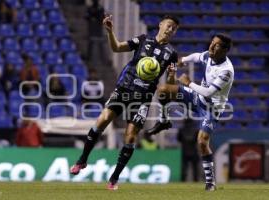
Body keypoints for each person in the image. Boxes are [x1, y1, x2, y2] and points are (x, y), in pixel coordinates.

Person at [69, 14, 179, 190]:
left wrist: (172, 77)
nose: (170, 29)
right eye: (169, 25)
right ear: (160, 25)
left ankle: (114, 178)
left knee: (131, 136)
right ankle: (82, 160)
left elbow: (171, 87)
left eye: (174, 28)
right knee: (102, 120)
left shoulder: (171, 54)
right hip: (124, 89)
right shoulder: (143, 40)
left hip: (142, 97)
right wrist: (110, 31)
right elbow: (117, 47)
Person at [144, 33, 234, 191]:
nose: (211, 46)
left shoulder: (226, 71)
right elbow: (197, 56)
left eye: (217, 45)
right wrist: (182, 61)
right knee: (163, 90)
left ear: (225, 50)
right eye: (212, 42)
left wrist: (188, 82)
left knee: (202, 141)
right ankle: (164, 120)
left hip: (211, 109)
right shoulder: (208, 55)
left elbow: (208, 93)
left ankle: (210, 182)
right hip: (196, 98)